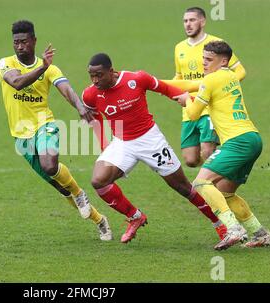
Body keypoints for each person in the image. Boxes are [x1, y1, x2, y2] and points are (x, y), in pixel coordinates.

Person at [82, 53, 227, 244]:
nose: (95, 80)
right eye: (91, 75)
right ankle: (135, 217)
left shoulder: (137, 79)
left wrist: (193, 100)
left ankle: (221, 225)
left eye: (99, 75)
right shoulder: (90, 94)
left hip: (150, 141)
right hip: (123, 143)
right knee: (98, 180)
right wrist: (104, 145)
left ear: (111, 71)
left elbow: (166, 89)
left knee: (183, 187)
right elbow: (94, 118)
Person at [0, 20, 112, 241]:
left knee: (50, 166)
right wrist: (43, 67)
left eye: (24, 42)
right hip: (21, 136)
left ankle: (79, 195)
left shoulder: (51, 69)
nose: (19, 47)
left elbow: (66, 89)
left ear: (34, 41)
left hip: (45, 125)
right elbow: (17, 83)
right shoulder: (5, 64)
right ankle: (100, 220)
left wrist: (80, 108)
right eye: (16, 43)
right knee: (61, 188)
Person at [173, 41, 270, 250]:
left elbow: (192, 115)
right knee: (225, 193)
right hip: (252, 138)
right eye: (203, 59)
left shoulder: (211, 80)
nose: (204, 64)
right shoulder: (230, 76)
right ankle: (261, 234)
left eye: (209, 60)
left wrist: (186, 100)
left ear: (224, 60)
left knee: (201, 183)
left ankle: (233, 229)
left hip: (238, 141)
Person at [173, 7, 246, 167]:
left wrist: (224, 84)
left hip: (208, 107)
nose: (188, 24)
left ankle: (211, 182)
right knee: (191, 160)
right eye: (185, 21)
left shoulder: (216, 45)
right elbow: (180, 76)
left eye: (192, 20)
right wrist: (167, 88)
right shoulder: (179, 48)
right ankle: (215, 168)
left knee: (207, 151)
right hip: (189, 107)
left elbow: (240, 71)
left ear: (203, 21)